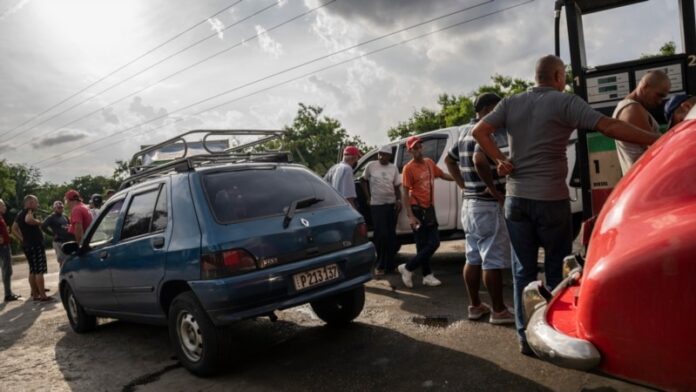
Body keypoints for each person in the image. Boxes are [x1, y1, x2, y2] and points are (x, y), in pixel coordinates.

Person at [471, 55, 660, 355]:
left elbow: (478, 131)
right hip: (550, 200)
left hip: (516, 200)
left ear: (537, 77)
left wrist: (501, 160)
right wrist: (657, 140)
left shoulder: (510, 102)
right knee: (559, 270)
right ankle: (555, 337)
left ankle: (524, 339)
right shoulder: (565, 102)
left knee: (523, 272)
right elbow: (610, 126)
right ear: (558, 76)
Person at [445, 93, 514, 324]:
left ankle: (475, 306)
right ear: (487, 108)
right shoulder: (485, 131)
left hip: (470, 205)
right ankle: (498, 311)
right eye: (497, 108)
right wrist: (496, 193)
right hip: (487, 205)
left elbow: (449, 160)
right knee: (491, 260)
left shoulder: (465, 131)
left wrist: (464, 185)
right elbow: (480, 160)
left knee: (473, 257)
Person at [398, 135, 454, 288]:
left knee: (433, 242)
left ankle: (409, 268)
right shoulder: (408, 168)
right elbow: (404, 192)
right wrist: (410, 215)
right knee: (423, 245)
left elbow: (443, 175)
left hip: (429, 208)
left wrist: (459, 179)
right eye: (414, 148)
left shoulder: (429, 163)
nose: (417, 150)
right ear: (410, 151)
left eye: (419, 147)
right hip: (416, 209)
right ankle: (425, 274)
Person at [613, 70, 670, 174]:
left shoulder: (631, 107)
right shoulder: (632, 109)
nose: (660, 101)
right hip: (646, 181)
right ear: (645, 87)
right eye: (659, 95)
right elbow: (658, 150)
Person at [360, 145, 402, 275]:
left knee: (391, 236)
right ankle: (380, 265)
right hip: (377, 205)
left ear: (389, 156)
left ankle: (390, 265)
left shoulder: (393, 168)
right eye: (380, 154)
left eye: (384, 154)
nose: (381, 156)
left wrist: (398, 200)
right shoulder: (371, 166)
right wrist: (368, 197)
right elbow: (363, 180)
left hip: (391, 205)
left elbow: (396, 186)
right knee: (380, 235)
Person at [11, 195, 52, 301]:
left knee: (32, 270)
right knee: (39, 271)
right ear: (30, 203)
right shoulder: (28, 211)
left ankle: (35, 294)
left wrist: (22, 239)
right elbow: (29, 220)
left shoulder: (19, 214)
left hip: (27, 245)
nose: (37, 204)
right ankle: (43, 296)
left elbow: (13, 229)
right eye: (36, 202)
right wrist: (39, 222)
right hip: (35, 245)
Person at [41, 201, 75, 268]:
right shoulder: (51, 217)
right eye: (58, 208)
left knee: (70, 260)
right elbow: (43, 226)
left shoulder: (64, 216)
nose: (60, 209)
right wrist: (52, 234)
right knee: (62, 261)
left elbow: (70, 226)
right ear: (54, 208)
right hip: (58, 242)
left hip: (67, 241)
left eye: (61, 207)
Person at [1, 199, 21, 302]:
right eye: (3, 205)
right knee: (7, 270)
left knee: (7, 270)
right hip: (3, 247)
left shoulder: (1, 217)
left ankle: (8, 292)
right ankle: (8, 294)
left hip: (5, 246)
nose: (5, 207)